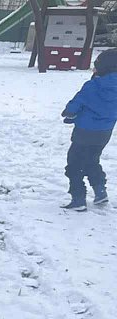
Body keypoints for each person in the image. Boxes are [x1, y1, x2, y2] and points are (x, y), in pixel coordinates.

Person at [60, 48, 117, 211]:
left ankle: (78, 198)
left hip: (84, 133)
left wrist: (69, 113)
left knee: (74, 163)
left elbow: (75, 105)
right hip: (104, 133)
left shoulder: (92, 86)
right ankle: (100, 192)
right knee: (92, 160)